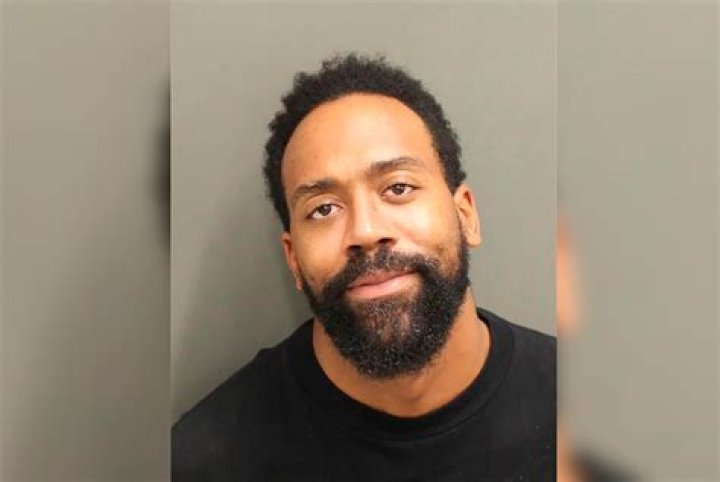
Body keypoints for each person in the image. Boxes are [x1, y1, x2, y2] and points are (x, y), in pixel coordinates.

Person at [172, 53, 556, 481]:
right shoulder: (204, 463)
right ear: (293, 259)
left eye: (398, 187)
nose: (366, 231)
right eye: (323, 209)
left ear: (466, 215)